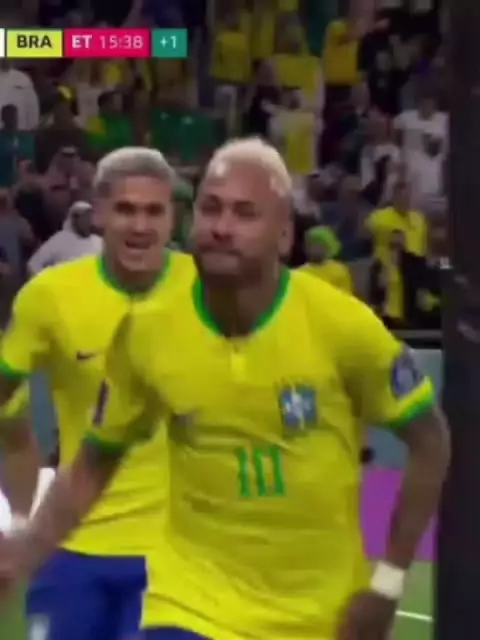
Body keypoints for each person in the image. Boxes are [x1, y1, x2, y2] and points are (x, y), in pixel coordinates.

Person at [0, 139, 450, 640]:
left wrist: (387, 584)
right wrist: (25, 550)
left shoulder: (343, 327)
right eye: (211, 208)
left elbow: (430, 441)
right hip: (192, 604)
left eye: (244, 213)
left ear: (284, 234)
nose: (221, 226)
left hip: (318, 613)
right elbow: (93, 463)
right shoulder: (147, 332)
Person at [0, 147, 195, 640]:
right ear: (100, 213)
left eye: (154, 211)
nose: (140, 226)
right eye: (126, 209)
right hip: (71, 546)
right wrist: (18, 524)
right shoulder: (50, 296)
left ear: (172, 218)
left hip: (174, 556)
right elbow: (8, 410)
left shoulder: (210, 293)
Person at [27, 201, 102, 275]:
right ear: (74, 220)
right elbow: (33, 264)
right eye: (84, 218)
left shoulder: (98, 242)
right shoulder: (59, 240)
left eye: (89, 217)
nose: (87, 221)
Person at [299, 225, 354, 294]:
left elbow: (345, 295)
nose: (314, 248)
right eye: (310, 244)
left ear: (327, 246)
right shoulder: (300, 273)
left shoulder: (340, 271)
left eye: (318, 244)